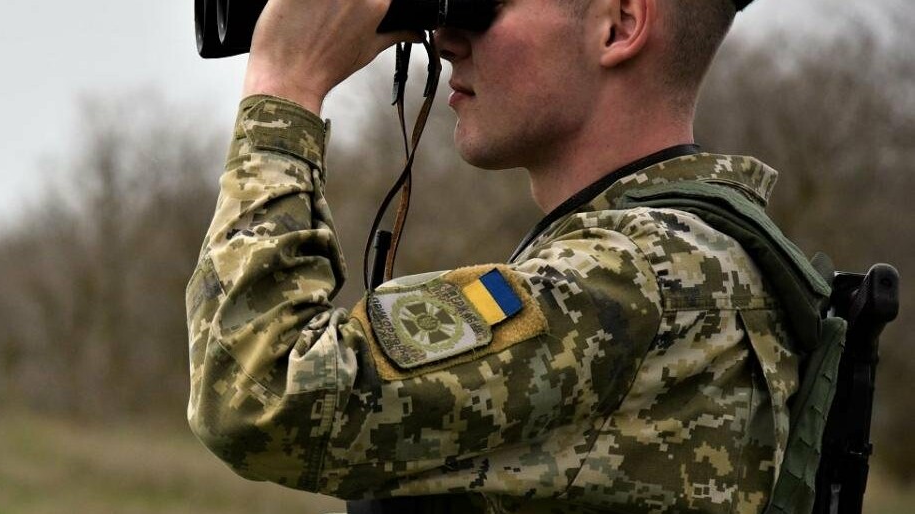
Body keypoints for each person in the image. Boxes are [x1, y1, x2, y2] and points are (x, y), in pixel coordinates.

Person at [184, 0, 798, 511]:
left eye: (487, 3)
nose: (447, 38)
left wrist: (284, 84)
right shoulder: (689, 258)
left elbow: (261, 395)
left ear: (619, 25)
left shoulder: (640, 278)